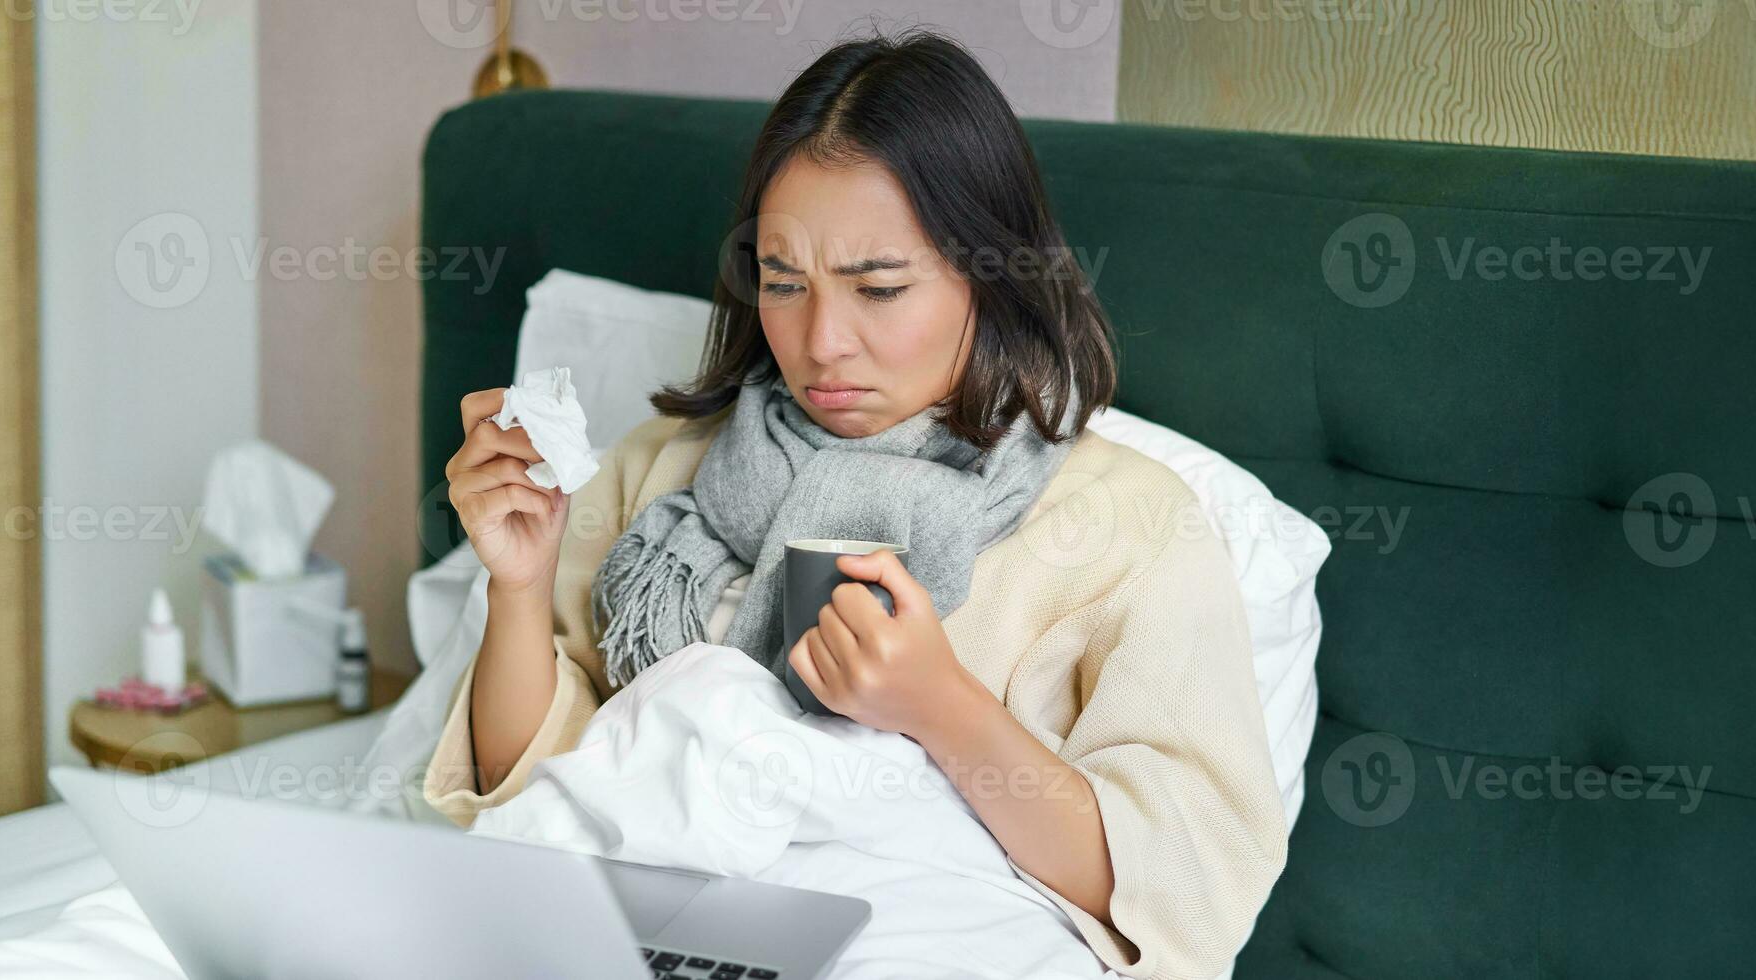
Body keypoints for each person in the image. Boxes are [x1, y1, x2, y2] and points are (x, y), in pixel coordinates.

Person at [427, 30, 1287, 979]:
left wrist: (941, 707)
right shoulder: (664, 472)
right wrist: (519, 582)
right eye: (783, 283)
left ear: (992, 273)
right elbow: (537, 797)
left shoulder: (1132, 526)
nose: (822, 341)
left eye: (878, 287)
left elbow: (1183, 889)